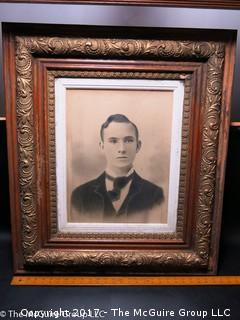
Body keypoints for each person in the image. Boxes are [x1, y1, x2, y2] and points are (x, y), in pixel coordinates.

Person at [71, 114, 164, 223]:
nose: (122, 149)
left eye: (128, 140)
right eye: (113, 141)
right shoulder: (80, 195)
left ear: (138, 146)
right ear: (102, 146)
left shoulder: (155, 194)